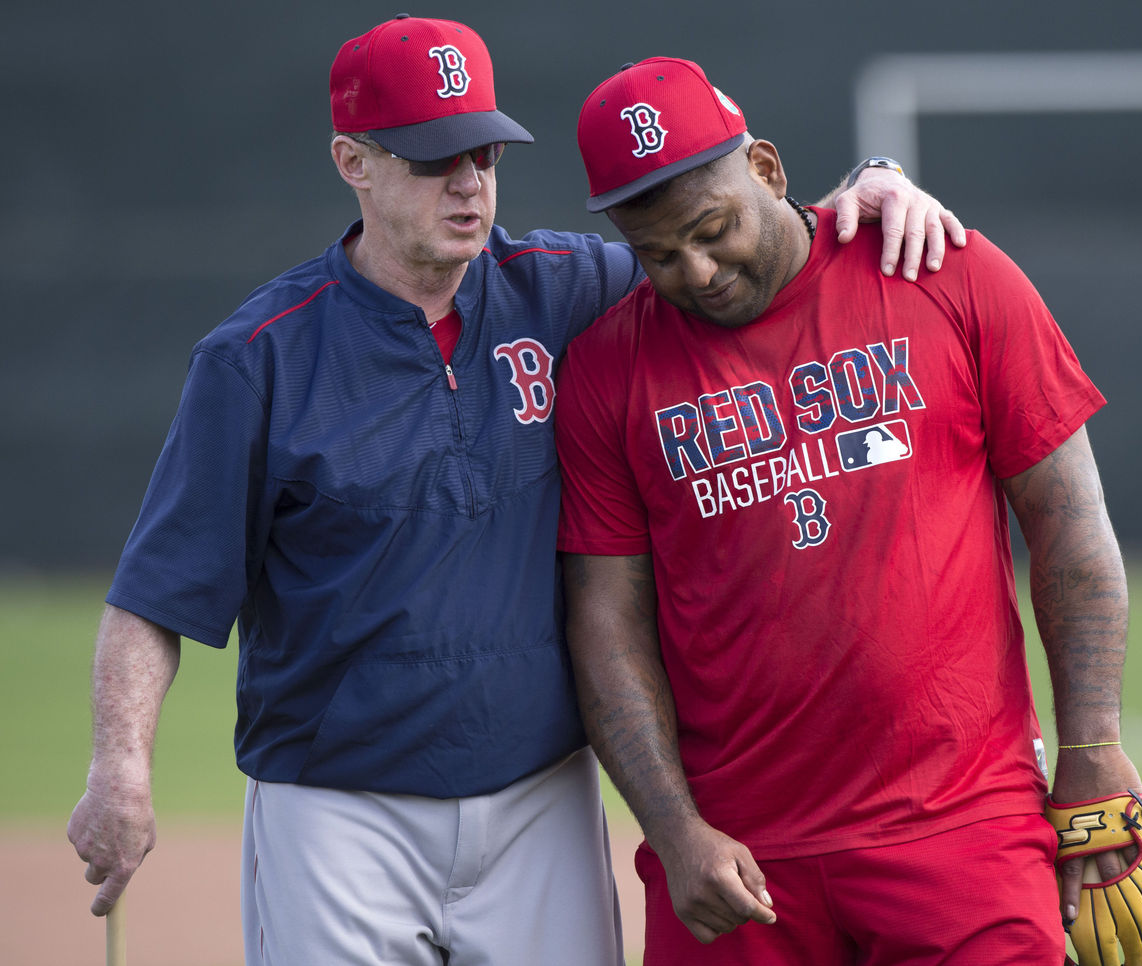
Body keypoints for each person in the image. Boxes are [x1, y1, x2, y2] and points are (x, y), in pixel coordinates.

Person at [65, 16, 966, 966]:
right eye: (432, 158)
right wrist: (119, 768)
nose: (469, 182)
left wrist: (868, 184)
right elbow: (154, 595)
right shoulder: (262, 359)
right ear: (352, 161)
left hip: (541, 798)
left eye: (484, 152)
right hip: (338, 812)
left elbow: (736, 245)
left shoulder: (572, 288)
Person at [555, 56, 1141, 965]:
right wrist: (671, 828)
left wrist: (1093, 745)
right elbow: (606, 622)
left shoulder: (946, 272)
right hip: (739, 862)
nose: (698, 271)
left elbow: (1070, 523)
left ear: (768, 171)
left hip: (961, 830)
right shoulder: (605, 371)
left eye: (713, 230)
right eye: (659, 255)